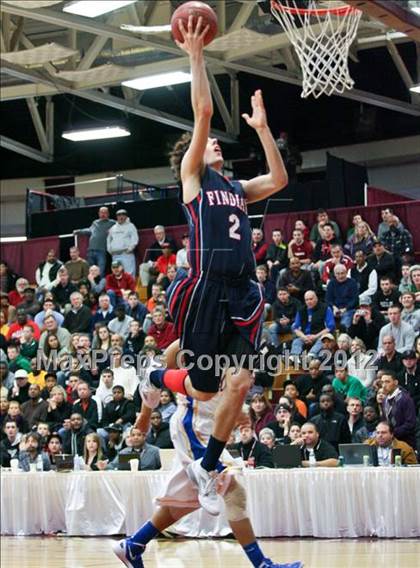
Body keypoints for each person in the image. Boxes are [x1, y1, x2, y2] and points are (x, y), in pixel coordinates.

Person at [139, 16, 288, 516]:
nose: (217, 144)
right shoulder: (194, 177)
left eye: (220, 144)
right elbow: (202, 111)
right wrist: (196, 54)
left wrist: (264, 131)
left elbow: (280, 178)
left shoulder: (236, 189)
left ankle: (210, 461)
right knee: (202, 386)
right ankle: (158, 379)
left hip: (245, 288)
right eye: (210, 144)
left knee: (241, 383)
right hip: (206, 287)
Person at [114, 373, 302, 568]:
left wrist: (234, 407)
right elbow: (156, 372)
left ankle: (134, 544)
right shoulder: (191, 346)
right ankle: (262, 564)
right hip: (194, 425)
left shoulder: (232, 349)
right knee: (234, 492)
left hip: (207, 425)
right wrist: (145, 414)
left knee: (184, 501)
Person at [290, 290, 335, 356]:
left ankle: (311, 355)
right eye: (307, 300)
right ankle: (294, 357)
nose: (309, 302)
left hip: (319, 335)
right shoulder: (301, 310)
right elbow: (295, 328)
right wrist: (304, 337)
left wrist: (315, 336)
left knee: (322, 341)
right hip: (305, 336)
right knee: (296, 341)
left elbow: (330, 327)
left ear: (316, 298)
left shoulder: (325, 308)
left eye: (311, 299)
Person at [76, 206, 116, 277]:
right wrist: (79, 231)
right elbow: (89, 230)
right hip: (90, 250)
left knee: (101, 271)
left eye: (105, 212)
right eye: (101, 212)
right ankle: (92, 286)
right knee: (90, 272)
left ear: (108, 214)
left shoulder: (112, 223)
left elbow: (121, 225)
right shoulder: (95, 222)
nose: (103, 214)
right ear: (99, 213)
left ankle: (101, 287)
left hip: (101, 251)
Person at [381, 371, 416, 448]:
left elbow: (410, 424)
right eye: (382, 382)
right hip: (389, 442)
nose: (383, 385)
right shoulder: (385, 400)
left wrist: (393, 433)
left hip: (406, 443)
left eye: (387, 382)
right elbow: (384, 421)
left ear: (396, 382)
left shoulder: (405, 399)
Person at [106, 209, 139, 277]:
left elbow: (135, 239)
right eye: (119, 215)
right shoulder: (113, 228)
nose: (121, 217)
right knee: (117, 273)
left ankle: (131, 287)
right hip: (115, 255)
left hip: (126, 254)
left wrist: (130, 248)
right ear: (117, 217)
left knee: (129, 273)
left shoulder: (131, 226)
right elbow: (108, 239)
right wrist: (109, 249)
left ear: (126, 216)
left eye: (123, 215)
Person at [325, 264, 358, 330]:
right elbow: (328, 299)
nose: (340, 276)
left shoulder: (352, 282)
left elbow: (355, 300)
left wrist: (345, 309)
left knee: (344, 324)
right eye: (338, 274)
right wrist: (334, 308)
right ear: (334, 274)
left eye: (342, 273)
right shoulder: (331, 283)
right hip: (334, 309)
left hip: (348, 309)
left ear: (346, 273)